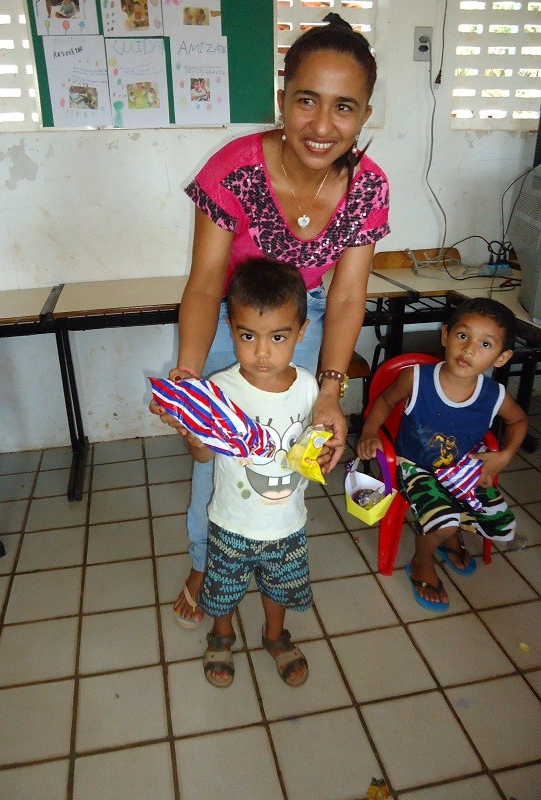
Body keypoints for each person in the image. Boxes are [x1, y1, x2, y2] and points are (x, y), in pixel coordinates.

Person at [151, 14, 390, 627]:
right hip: (234, 326)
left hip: (303, 332)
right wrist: (188, 374)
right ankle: (207, 562)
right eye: (306, 101)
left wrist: (331, 394)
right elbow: (205, 285)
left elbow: (344, 298)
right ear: (283, 98)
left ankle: (266, 556)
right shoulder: (234, 167)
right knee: (216, 460)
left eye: (344, 107)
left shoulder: (368, 188)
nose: (321, 125)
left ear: (364, 115)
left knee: (287, 457)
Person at [178, 258, 330, 687]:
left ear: (301, 334)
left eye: (278, 337)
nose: (262, 352)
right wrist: (196, 440)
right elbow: (205, 459)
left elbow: (312, 442)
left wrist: (318, 453)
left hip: (288, 522)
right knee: (222, 588)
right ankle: (221, 634)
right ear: (231, 329)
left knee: (279, 587)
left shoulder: (308, 387)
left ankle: (274, 635)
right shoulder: (220, 391)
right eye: (248, 336)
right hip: (231, 521)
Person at [357, 298, 528, 611]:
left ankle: (449, 532)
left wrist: (504, 454)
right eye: (463, 336)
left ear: (501, 357)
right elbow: (383, 401)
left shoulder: (494, 395)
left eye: (485, 344)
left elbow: (518, 421)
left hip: (463, 463)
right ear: (445, 335)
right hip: (415, 466)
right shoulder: (417, 378)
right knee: (444, 522)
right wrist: (369, 431)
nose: (469, 349)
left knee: (498, 519)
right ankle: (423, 559)